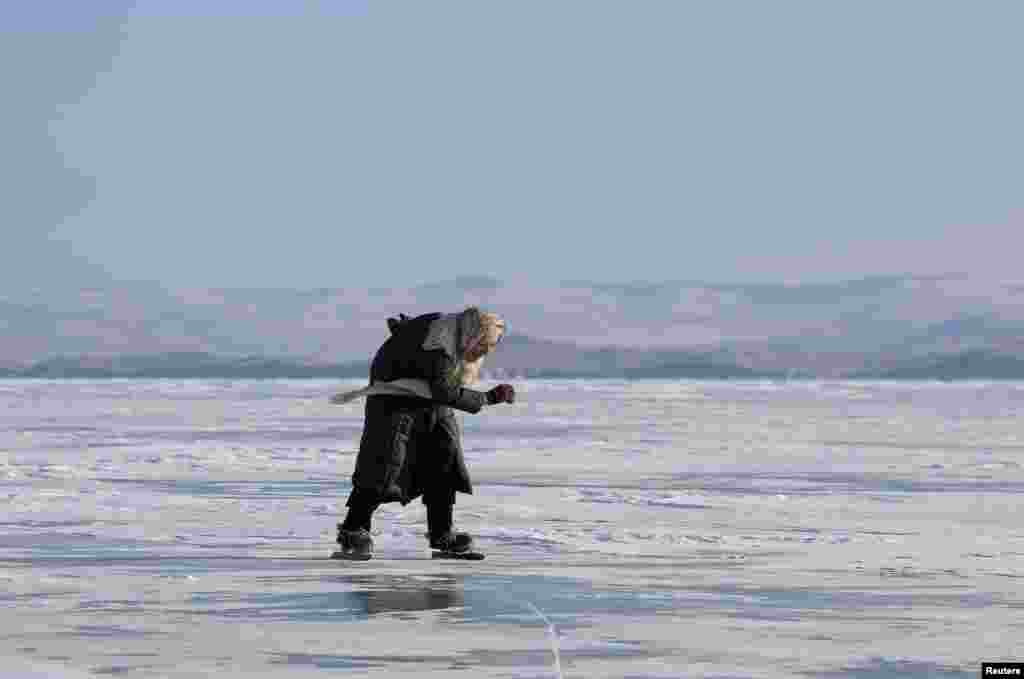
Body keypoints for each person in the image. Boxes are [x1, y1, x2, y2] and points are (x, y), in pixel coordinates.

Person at [329, 306, 515, 559]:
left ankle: (443, 535)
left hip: (429, 401)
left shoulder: (455, 337)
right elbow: (442, 390)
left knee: (445, 463)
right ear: (474, 334)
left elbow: (441, 388)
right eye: (483, 345)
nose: (484, 351)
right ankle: (353, 530)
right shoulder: (439, 342)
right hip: (393, 401)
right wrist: (488, 397)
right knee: (384, 465)